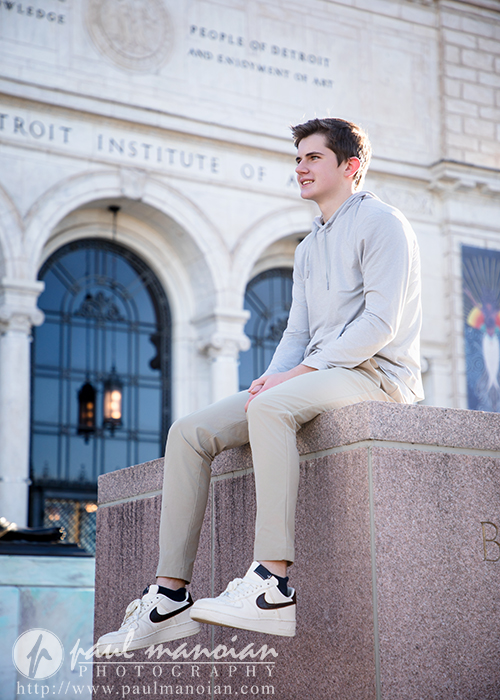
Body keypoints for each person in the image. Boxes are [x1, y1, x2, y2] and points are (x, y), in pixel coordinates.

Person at [96, 117, 423, 651]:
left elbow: (380, 323)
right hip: (320, 374)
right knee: (190, 431)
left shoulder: (383, 223)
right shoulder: (307, 247)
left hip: (377, 376)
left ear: (350, 166)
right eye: (297, 159)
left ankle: (271, 585)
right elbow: (296, 331)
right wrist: (271, 377)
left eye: (313, 158)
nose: (300, 168)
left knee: (270, 411)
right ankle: (168, 596)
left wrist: (298, 376)